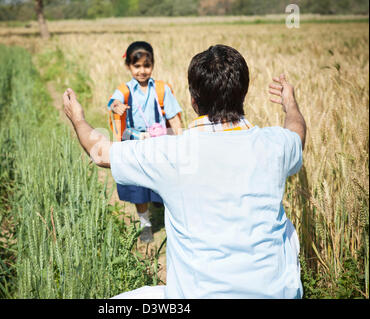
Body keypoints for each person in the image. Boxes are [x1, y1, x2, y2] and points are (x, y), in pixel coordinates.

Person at [62, 44, 307, 298]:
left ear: (192, 99)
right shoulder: (275, 144)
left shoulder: (171, 152)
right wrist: (290, 104)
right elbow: (297, 134)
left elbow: (100, 151)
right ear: (244, 92)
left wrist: (77, 118)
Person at [107, 41, 183, 243]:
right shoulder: (124, 90)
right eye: (137, 66)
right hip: (135, 143)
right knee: (139, 188)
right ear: (129, 67)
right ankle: (145, 224)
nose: (142, 71)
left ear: (153, 65)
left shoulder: (161, 89)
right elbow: (112, 101)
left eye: (146, 66)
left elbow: (174, 116)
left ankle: (168, 218)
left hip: (160, 143)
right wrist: (116, 107)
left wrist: (181, 139)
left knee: (165, 183)